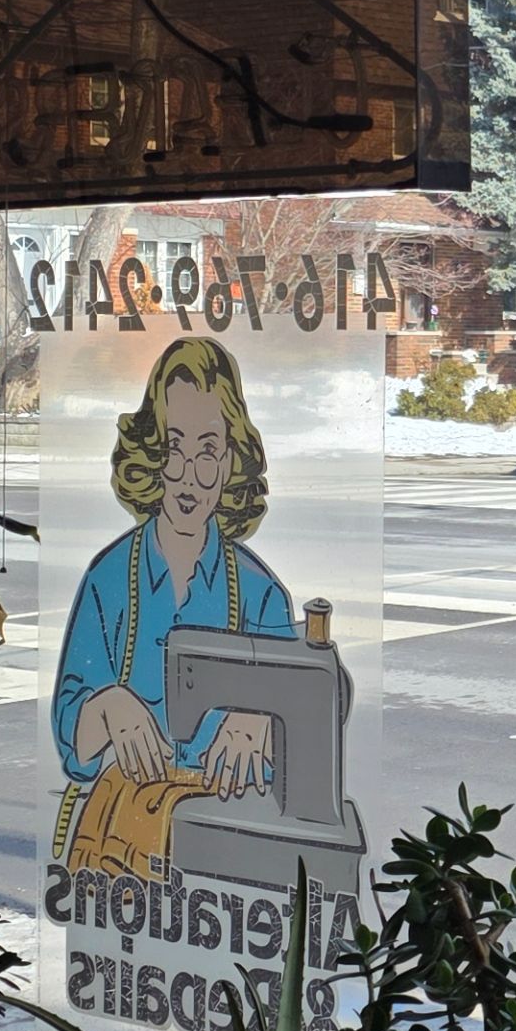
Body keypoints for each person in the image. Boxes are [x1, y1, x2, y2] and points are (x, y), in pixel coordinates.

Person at [50, 334, 296, 802]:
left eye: (207, 451)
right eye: (173, 448)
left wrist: (261, 720)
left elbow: (298, 718)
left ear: (229, 461)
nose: (187, 476)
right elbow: (70, 742)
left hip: (225, 824)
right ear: (151, 454)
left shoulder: (261, 593)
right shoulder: (108, 579)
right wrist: (109, 707)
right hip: (127, 825)